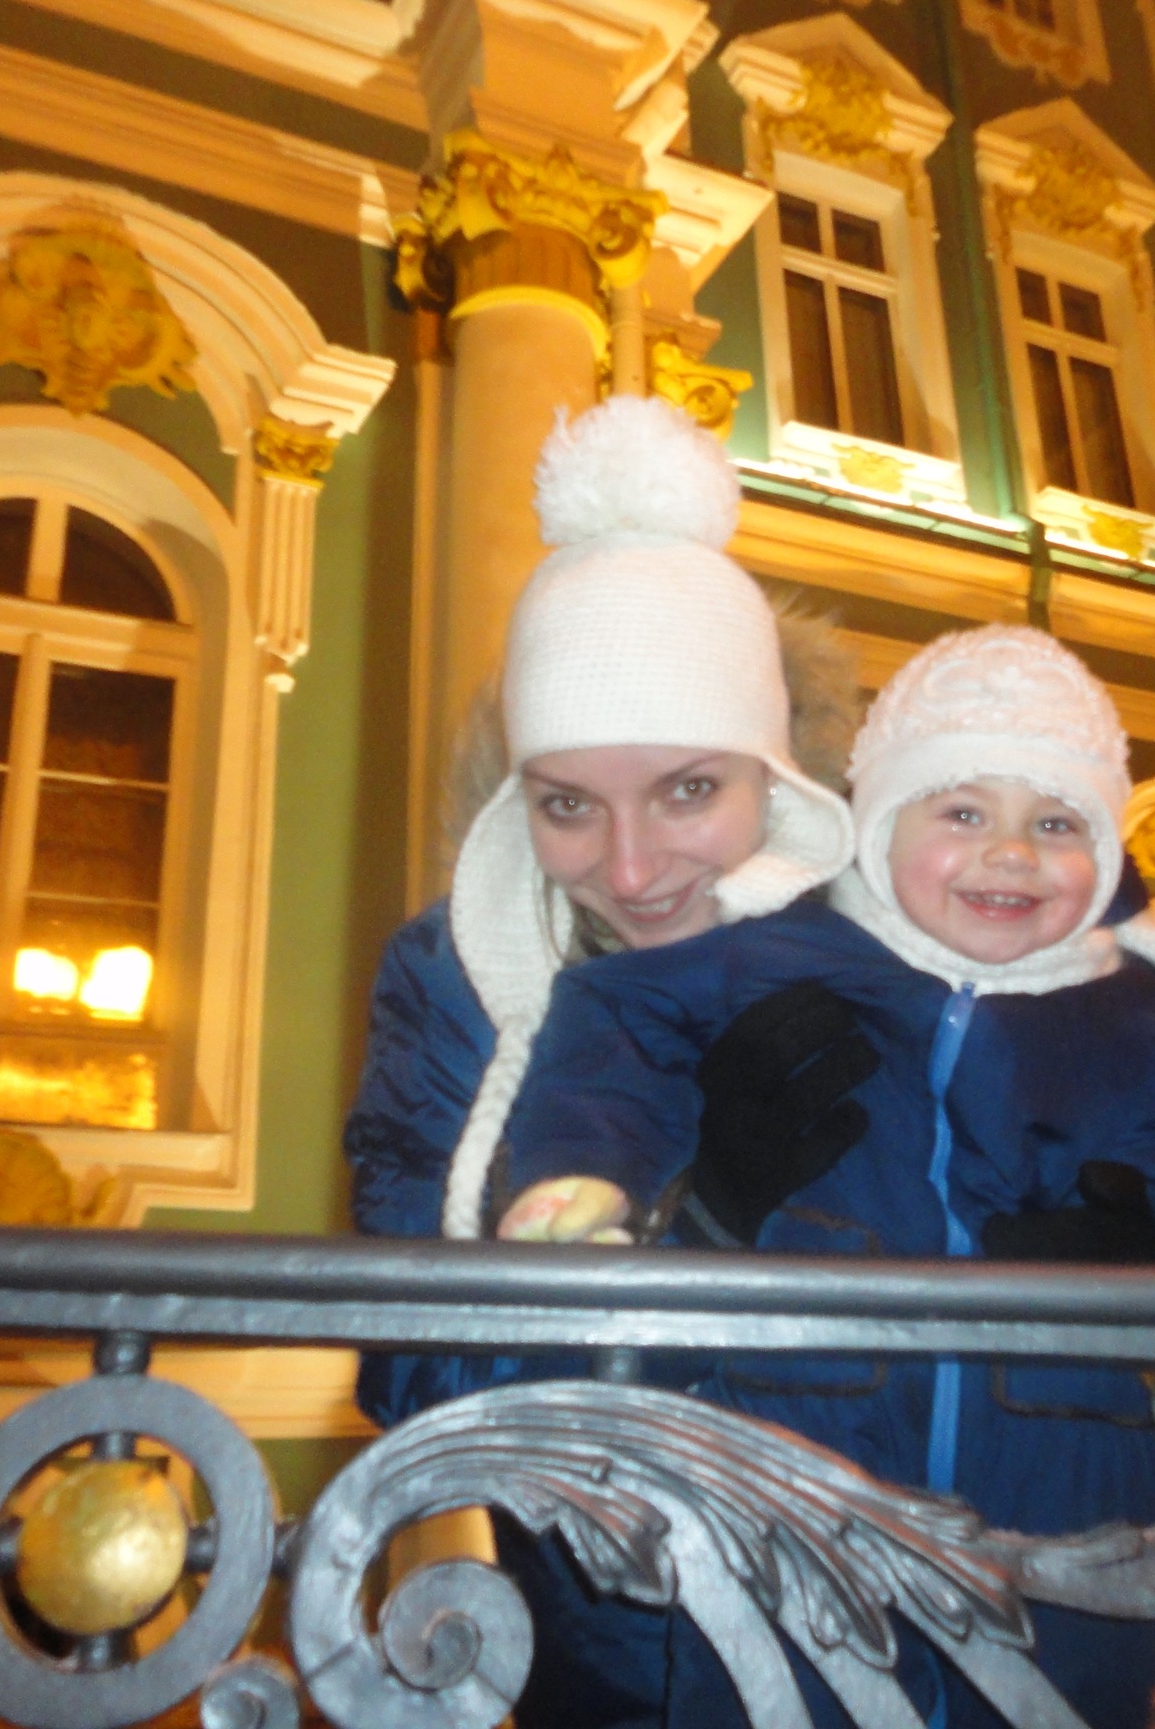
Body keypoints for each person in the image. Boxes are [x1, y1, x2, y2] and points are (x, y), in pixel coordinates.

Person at [501, 623, 1155, 1728]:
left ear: (1106, 852)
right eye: (962, 812)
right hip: (798, 1468)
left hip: (1069, 1494)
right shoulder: (782, 952)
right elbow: (620, 1018)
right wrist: (586, 1171)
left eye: (1056, 822)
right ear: (880, 822)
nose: (1012, 853)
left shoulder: (1150, 1020)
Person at [343, 392, 860, 1727]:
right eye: (568, 805)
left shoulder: (883, 954)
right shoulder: (452, 979)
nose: (630, 871)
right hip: (612, 1655)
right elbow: (409, 1363)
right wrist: (699, 1239)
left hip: (903, 1634)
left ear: (777, 777)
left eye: (688, 789)